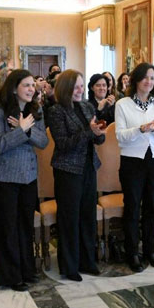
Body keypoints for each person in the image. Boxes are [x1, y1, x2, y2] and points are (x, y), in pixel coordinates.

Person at [0, 69, 48, 290]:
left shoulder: (36, 109)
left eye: (33, 85)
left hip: (28, 175)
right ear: (14, 88)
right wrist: (21, 131)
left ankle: (27, 270)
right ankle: (11, 276)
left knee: (25, 225)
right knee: (7, 228)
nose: (31, 89)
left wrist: (28, 131)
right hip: (4, 176)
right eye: (26, 85)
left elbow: (43, 142)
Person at [45, 70, 105, 282]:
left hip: (88, 166)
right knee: (69, 218)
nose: (80, 90)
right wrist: (89, 132)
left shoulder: (87, 106)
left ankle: (87, 261)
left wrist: (98, 134)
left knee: (88, 216)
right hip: (67, 170)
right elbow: (63, 144)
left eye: (81, 86)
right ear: (66, 88)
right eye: (76, 87)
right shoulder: (56, 111)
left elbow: (96, 139)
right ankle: (69, 266)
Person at [115, 63, 154, 272]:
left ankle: (150, 250)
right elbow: (120, 136)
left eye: (152, 78)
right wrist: (140, 129)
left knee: (151, 207)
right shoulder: (123, 104)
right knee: (132, 207)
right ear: (136, 80)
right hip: (132, 161)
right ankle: (132, 252)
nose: (149, 81)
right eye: (145, 77)